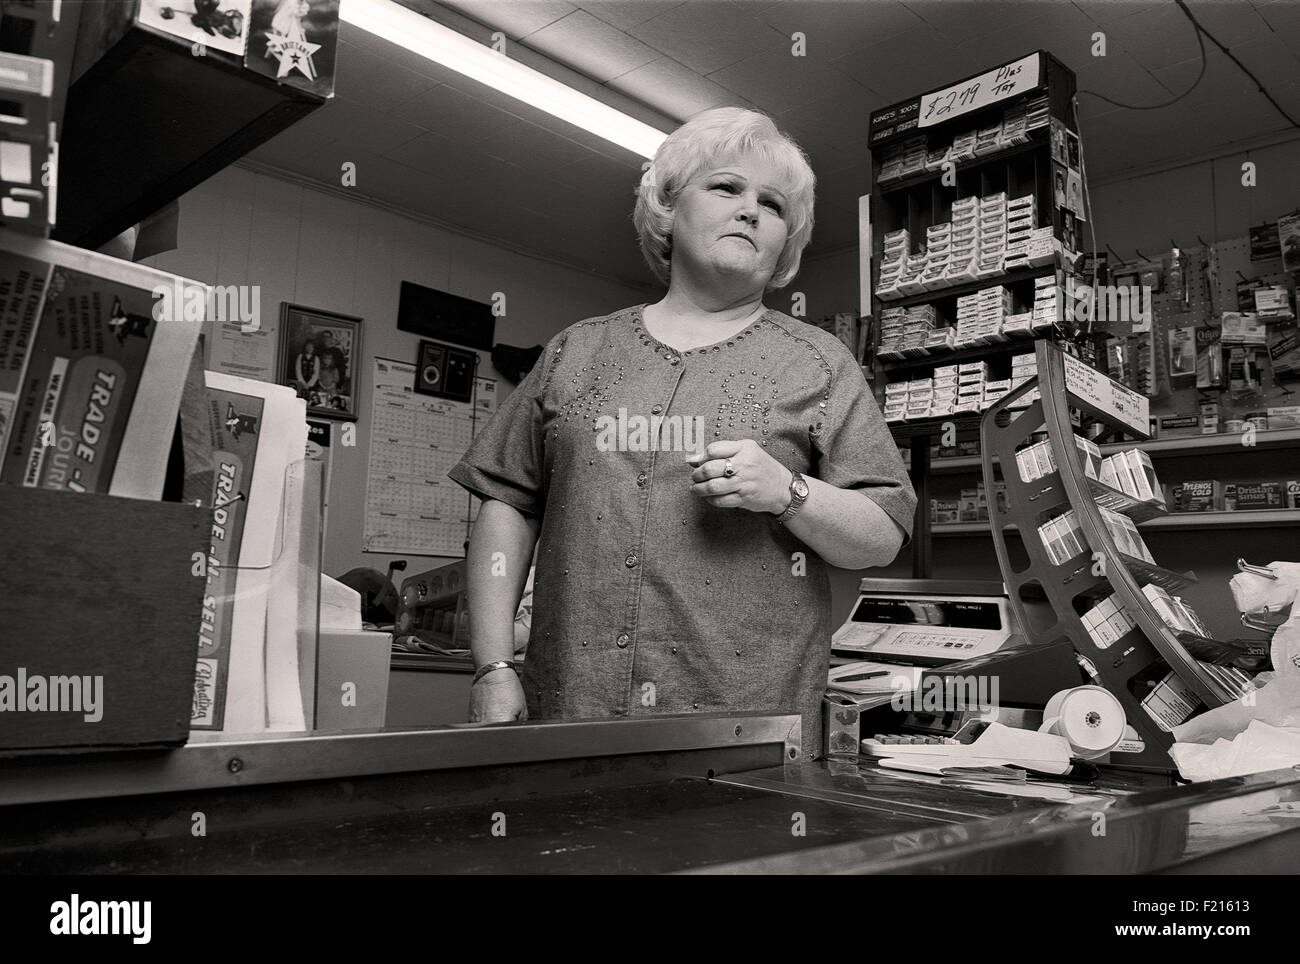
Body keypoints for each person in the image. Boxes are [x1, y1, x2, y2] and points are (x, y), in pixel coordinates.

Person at [448, 107, 916, 759]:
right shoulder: (575, 354)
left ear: (784, 245)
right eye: (726, 188)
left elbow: (881, 535)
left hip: (745, 728)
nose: (750, 210)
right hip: (571, 711)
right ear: (667, 207)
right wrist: (493, 667)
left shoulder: (818, 364)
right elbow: (507, 503)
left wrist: (790, 492)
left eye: (773, 205)